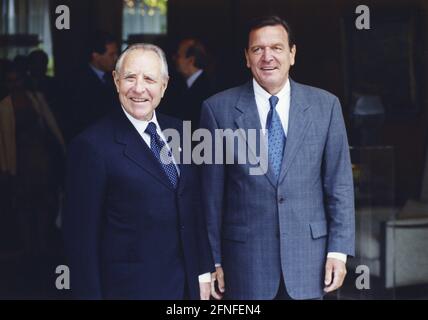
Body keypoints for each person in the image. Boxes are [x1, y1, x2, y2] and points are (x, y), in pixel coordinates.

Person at [200, 16, 355, 300]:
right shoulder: (217, 110)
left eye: (277, 48)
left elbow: (340, 185)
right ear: (247, 58)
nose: (267, 57)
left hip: (311, 262)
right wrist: (214, 261)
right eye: (257, 49)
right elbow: (211, 196)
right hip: (245, 265)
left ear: (292, 54)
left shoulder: (326, 106)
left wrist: (338, 251)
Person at [63, 43, 213, 299]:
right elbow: (81, 243)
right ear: (116, 80)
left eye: (149, 79)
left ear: (164, 85)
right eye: (130, 77)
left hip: (186, 290)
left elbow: (192, 208)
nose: (139, 88)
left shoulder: (181, 132)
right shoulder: (91, 146)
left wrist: (203, 272)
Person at [65, 31, 119, 141]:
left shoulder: (114, 78)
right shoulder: (78, 82)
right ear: (96, 56)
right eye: (111, 54)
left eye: (116, 54)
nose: (116, 58)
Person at [161, 38, 215, 129]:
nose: (174, 58)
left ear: (191, 60)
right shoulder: (182, 85)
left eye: (178, 56)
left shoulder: (205, 89)